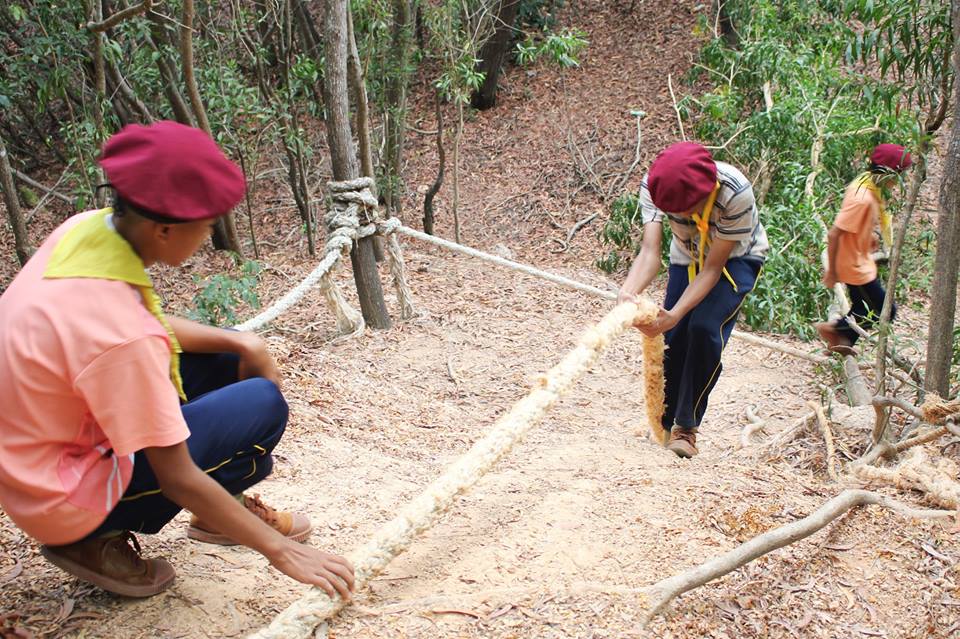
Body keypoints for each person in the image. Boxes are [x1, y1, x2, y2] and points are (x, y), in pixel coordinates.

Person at [0, 121, 355, 600]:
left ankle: (219, 511)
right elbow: (177, 476)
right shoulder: (126, 339)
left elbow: (142, 322)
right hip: (61, 499)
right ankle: (93, 540)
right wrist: (281, 551)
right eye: (205, 226)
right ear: (164, 229)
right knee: (264, 405)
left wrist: (244, 343)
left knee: (227, 358)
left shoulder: (85, 231)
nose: (208, 236)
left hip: (34, 459)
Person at [618, 142, 769, 458]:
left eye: (685, 208)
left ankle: (686, 427)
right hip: (687, 255)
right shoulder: (655, 185)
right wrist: (628, 294)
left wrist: (675, 313)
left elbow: (712, 269)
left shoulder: (735, 192)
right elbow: (650, 252)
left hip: (736, 258)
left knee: (703, 328)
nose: (679, 214)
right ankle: (664, 424)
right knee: (673, 337)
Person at [815, 143, 911, 355]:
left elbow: (854, 226)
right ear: (887, 173)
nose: (899, 181)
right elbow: (834, 234)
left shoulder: (866, 185)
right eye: (899, 175)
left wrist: (868, 239)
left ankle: (840, 343)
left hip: (859, 259)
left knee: (862, 306)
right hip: (853, 265)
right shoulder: (862, 198)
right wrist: (832, 272)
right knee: (884, 311)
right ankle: (833, 330)